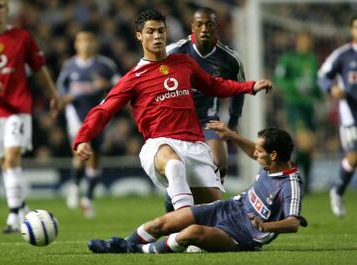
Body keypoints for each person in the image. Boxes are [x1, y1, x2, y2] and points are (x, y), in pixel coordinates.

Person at [74, 8, 272, 212]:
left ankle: (177, 225)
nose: (157, 36)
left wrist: (250, 86)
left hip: (194, 145)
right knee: (174, 165)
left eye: (161, 30)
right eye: (150, 31)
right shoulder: (133, 78)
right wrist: (82, 137)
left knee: (213, 217)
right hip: (160, 144)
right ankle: (165, 232)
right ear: (139, 36)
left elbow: (215, 85)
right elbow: (103, 110)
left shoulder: (184, 63)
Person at [87, 122, 307, 254]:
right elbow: (253, 151)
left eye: (260, 151)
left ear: (274, 155)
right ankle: (117, 245)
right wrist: (230, 136)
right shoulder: (271, 162)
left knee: (192, 233)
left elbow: (293, 223)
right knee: (163, 222)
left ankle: (134, 251)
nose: (255, 153)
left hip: (242, 236)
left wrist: (266, 227)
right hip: (228, 208)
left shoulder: (290, 185)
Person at [163, 7, 246, 211]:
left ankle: (207, 210)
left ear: (216, 28)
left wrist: (233, 122)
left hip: (208, 118)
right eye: (199, 24)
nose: (204, 28)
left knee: (220, 163)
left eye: (209, 24)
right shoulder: (175, 52)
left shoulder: (229, 59)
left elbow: (238, 90)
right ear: (192, 27)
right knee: (178, 169)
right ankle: (173, 206)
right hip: (178, 120)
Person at [0, 0, 60, 232]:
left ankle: (14, 216)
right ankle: (21, 206)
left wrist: (53, 94)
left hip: (17, 109)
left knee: (12, 157)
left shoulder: (22, 37)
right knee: (6, 162)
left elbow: (38, 68)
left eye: (1, 6)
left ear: (7, 10)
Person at [57, 30, 119, 218]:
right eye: (82, 40)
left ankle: (88, 199)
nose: (86, 44)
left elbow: (120, 86)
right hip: (75, 114)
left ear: (95, 43)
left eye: (89, 39)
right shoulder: (69, 66)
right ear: (76, 44)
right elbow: (61, 89)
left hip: (98, 114)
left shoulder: (105, 65)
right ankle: (75, 186)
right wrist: (63, 99)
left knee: (96, 157)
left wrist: (106, 85)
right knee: (82, 150)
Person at [318, 15, 357, 217]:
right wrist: (332, 88)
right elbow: (323, 75)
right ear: (351, 30)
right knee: (354, 156)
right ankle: (338, 191)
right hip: (351, 115)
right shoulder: (343, 55)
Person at [274, 30, 321, 194]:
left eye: (309, 40)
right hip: (294, 105)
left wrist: (321, 95)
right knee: (306, 142)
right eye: (303, 40)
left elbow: (315, 84)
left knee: (309, 147)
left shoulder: (312, 59)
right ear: (297, 41)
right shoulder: (288, 59)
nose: (306, 43)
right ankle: (288, 176)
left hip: (309, 107)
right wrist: (296, 86)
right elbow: (279, 81)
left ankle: (305, 185)